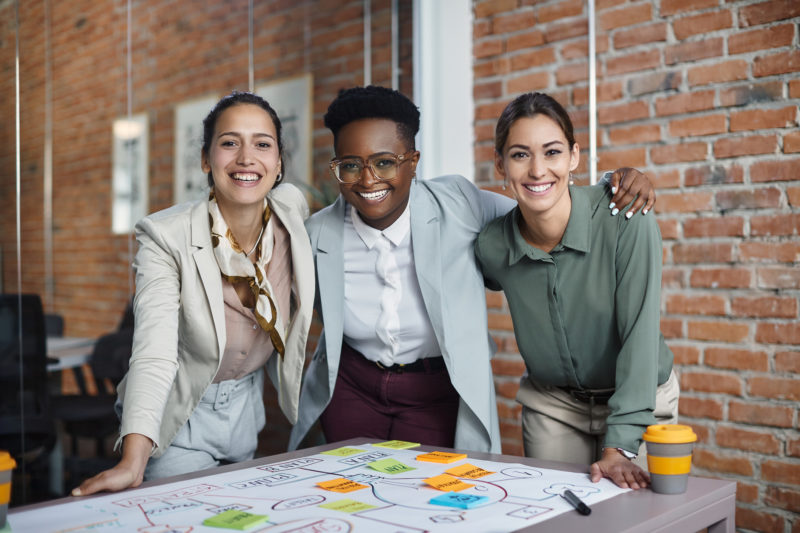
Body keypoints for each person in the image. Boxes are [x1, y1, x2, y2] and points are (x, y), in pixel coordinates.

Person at [289, 86, 657, 454]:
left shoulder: (459, 205)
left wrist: (615, 183)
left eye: (384, 162)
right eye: (350, 165)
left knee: (428, 494)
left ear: (413, 161)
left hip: (432, 391)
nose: (368, 180)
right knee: (351, 493)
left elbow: (541, 207)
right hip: (354, 389)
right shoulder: (317, 234)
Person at [73, 91, 315, 495]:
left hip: (246, 412)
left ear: (278, 163)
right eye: (229, 143)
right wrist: (133, 460)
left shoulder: (291, 212)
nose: (245, 157)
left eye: (262, 144)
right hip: (180, 413)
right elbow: (154, 351)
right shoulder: (165, 236)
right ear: (206, 160)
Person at [475, 92, 679, 489]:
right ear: (500, 165)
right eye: (520, 155)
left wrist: (619, 447)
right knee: (557, 517)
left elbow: (640, 338)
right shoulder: (492, 246)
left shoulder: (626, 219)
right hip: (553, 406)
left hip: (640, 398)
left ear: (574, 157)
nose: (537, 170)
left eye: (552, 152)